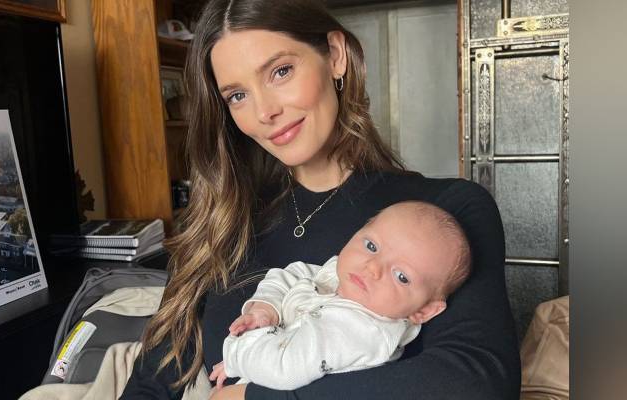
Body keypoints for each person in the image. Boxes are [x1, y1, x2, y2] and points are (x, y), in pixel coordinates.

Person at [120, 0, 520, 399]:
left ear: (335, 56)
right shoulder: (221, 222)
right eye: (238, 95)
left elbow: (477, 383)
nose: (264, 112)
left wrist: (256, 398)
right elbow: (151, 385)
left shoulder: (450, 210)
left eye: (280, 71)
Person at [208, 201, 472, 391]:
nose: (372, 267)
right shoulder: (342, 276)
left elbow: (283, 368)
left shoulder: (360, 331)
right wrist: (265, 309)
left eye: (401, 276)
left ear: (423, 310)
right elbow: (291, 274)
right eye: (371, 246)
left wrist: (235, 356)